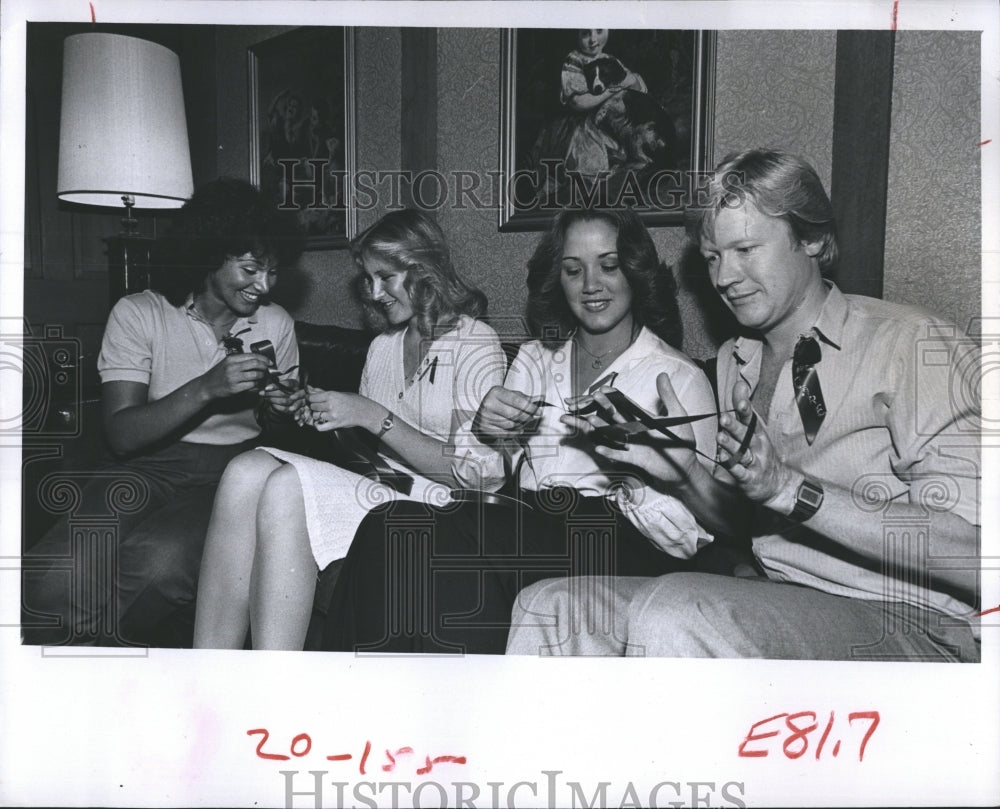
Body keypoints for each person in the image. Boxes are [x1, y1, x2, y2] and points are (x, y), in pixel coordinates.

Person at [507, 149, 981, 661]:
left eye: (746, 249)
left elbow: (976, 553)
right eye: (712, 257)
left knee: (677, 611)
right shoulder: (739, 359)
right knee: (551, 607)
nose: (724, 277)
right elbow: (748, 524)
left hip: (908, 618)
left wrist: (792, 490)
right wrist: (683, 472)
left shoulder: (912, 344)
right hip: (783, 597)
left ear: (813, 239)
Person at [322, 207, 718, 655]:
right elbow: (482, 477)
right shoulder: (534, 359)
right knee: (389, 524)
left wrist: (634, 477)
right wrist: (488, 431)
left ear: (635, 271)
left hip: (621, 535)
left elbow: (691, 535)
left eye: (608, 266)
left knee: (453, 541)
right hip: (535, 517)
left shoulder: (678, 376)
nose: (591, 284)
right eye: (573, 269)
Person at [192, 209, 506, 650]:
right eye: (368, 279)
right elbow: (363, 455)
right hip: (382, 491)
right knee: (246, 468)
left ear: (424, 271)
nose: (375, 293)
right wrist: (322, 415)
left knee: (287, 485)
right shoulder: (383, 347)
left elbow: (474, 475)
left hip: (448, 511)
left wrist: (368, 414)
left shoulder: (474, 343)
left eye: (386, 277)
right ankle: (208, 670)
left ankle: (273, 681)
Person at [22, 178, 304, 647]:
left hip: (231, 476)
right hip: (144, 465)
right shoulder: (139, 313)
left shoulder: (276, 323)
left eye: (273, 272)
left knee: (157, 563)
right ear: (210, 254)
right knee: (57, 575)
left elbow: (279, 433)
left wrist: (283, 407)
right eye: (252, 269)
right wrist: (206, 388)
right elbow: (122, 435)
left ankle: (105, 663)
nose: (265, 286)